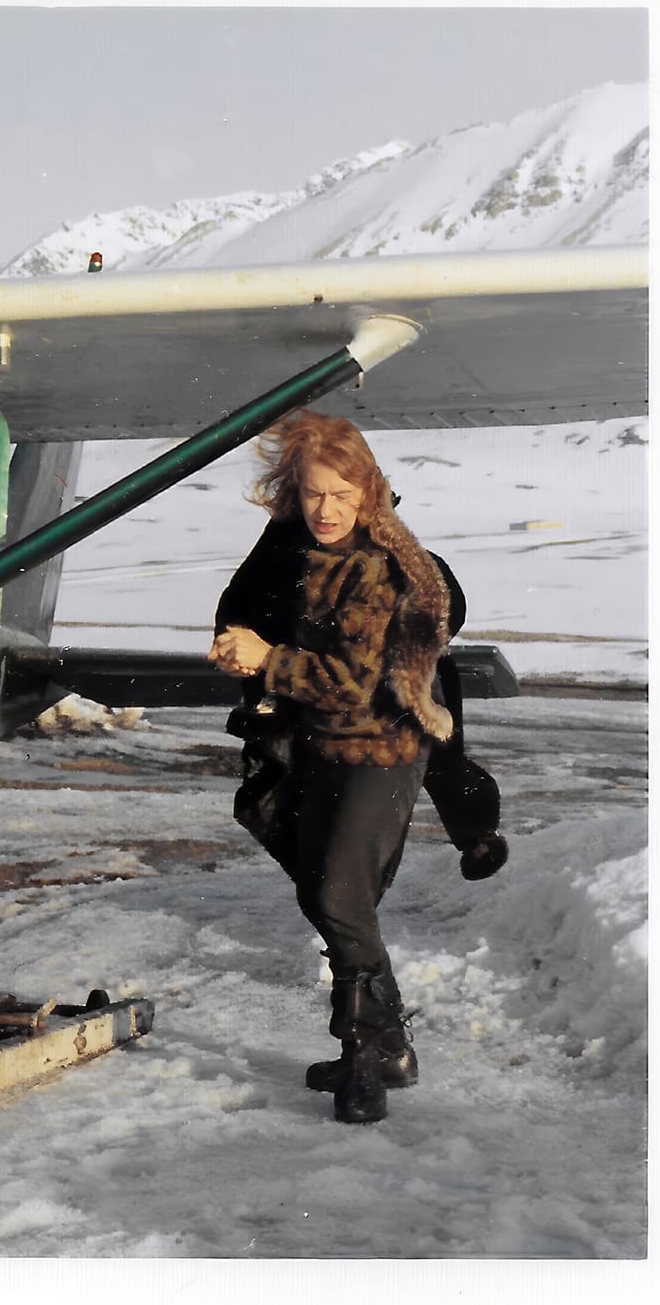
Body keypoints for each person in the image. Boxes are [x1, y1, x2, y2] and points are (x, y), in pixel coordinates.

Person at [207, 410, 461, 1125]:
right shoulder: (299, 546)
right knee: (326, 898)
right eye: (315, 493)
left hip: (383, 747)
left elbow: (351, 683)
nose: (326, 510)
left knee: (342, 897)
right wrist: (239, 646)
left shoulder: (377, 565)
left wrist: (268, 660)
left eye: (341, 497)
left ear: (368, 494)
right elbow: (263, 618)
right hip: (323, 742)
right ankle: (392, 1047)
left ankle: (363, 1064)